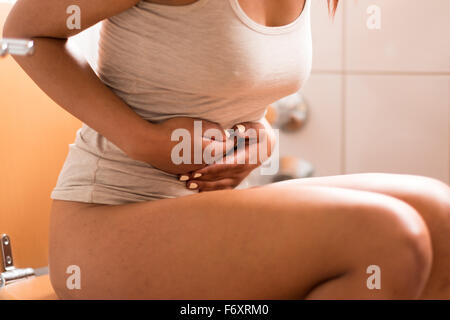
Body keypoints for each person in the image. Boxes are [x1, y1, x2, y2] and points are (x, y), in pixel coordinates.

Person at [3, 0, 449, 299]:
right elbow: (24, 35)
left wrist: (261, 137)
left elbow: (233, 87)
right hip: (110, 220)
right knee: (387, 237)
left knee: (438, 214)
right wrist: (144, 140)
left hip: (205, 216)